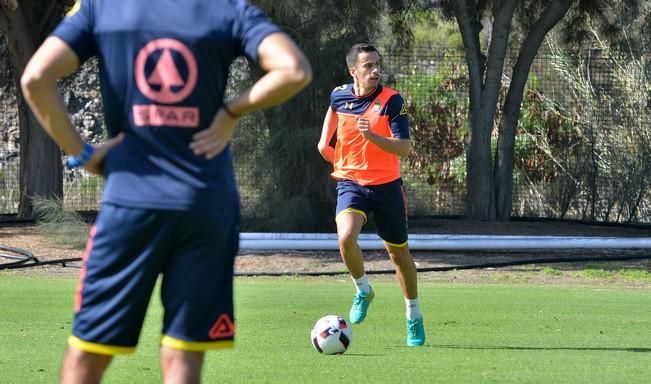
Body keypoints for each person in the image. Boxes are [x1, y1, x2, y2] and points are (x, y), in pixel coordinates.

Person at [21, 0, 311, 382]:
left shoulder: (103, 8)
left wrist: (84, 153)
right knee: (183, 356)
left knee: (87, 354)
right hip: (206, 203)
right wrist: (231, 112)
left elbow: (35, 77)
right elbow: (293, 70)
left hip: (131, 201)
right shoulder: (229, 9)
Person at [317, 43, 425, 346]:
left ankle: (413, 316)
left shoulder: (393, 101)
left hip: (387, 186)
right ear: (354, 71)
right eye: (368, 66)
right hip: (351, 183)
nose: (376, 70)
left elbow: (404, 147)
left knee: (399, 256)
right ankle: (363, 289)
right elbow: (325, 144)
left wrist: (371, 137)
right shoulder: (338, 96)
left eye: (378, 64)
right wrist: (338, 158)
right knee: (345, 237)